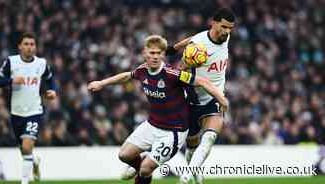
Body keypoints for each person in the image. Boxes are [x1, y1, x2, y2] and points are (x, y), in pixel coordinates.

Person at [87, 35, 229, 184]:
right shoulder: (142, 70)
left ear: (163, 54)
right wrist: (102, 83)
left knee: (145, 170)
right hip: (152, 125)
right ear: (144, 53)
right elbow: (127, 76)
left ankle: (144, 172)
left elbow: (202, 81)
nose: (155, 57)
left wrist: (221, 99)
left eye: (158, 53)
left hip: (174, 131)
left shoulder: (172, 74)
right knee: (124, 155)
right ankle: (142, 165)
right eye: (151, 53)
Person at [167, 8, 235, 184]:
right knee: (191, 147)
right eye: (224, 27)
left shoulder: (224, 38)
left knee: (210, 137)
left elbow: (190, 38)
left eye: (230, 28)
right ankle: (197, 178)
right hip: (193, 98)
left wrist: (173, 47)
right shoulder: (198, 45)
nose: (227, 32)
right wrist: (178, 61)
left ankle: (185, 178)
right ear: (213, 23)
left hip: (215, 97)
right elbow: (186, 57)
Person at [0, 32, 57, 184]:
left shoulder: (41, 63)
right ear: (19, 46)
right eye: (26, 44)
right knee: (24, 151)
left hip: (34, 111)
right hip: (16, 113)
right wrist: (11, 80)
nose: (29, 47)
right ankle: (34, 161)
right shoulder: (11, 62)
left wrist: (52, 90)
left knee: (27, 146)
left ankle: (24, 181)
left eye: (32, 44)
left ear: (35, 47)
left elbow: (50, 79)